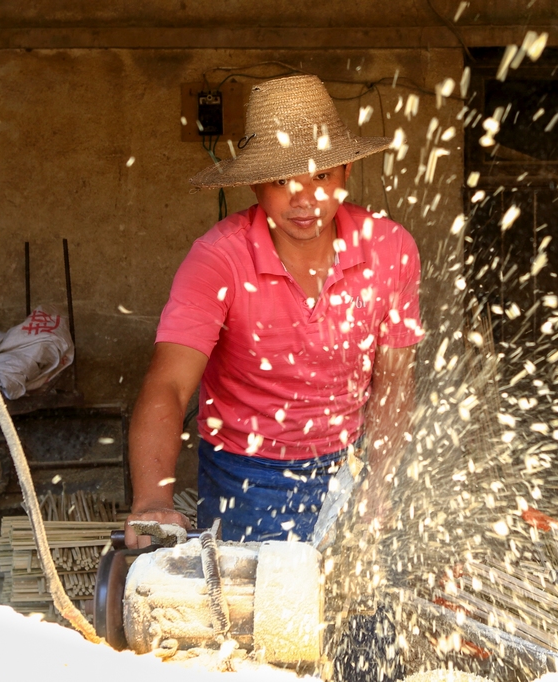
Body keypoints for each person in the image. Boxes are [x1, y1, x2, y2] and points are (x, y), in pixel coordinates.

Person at [124, 74, 423, 548]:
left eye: (320, 176)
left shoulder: (390, 249)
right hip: (245, 474)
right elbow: (169, 384)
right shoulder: (219, 259)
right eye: (283, 180)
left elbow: (393, 382)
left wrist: (381, 484)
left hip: (350, 463)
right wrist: (150, 502)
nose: (304, 199)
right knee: (252, 616)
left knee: (364, 615)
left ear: (346, 171)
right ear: (255, 186)